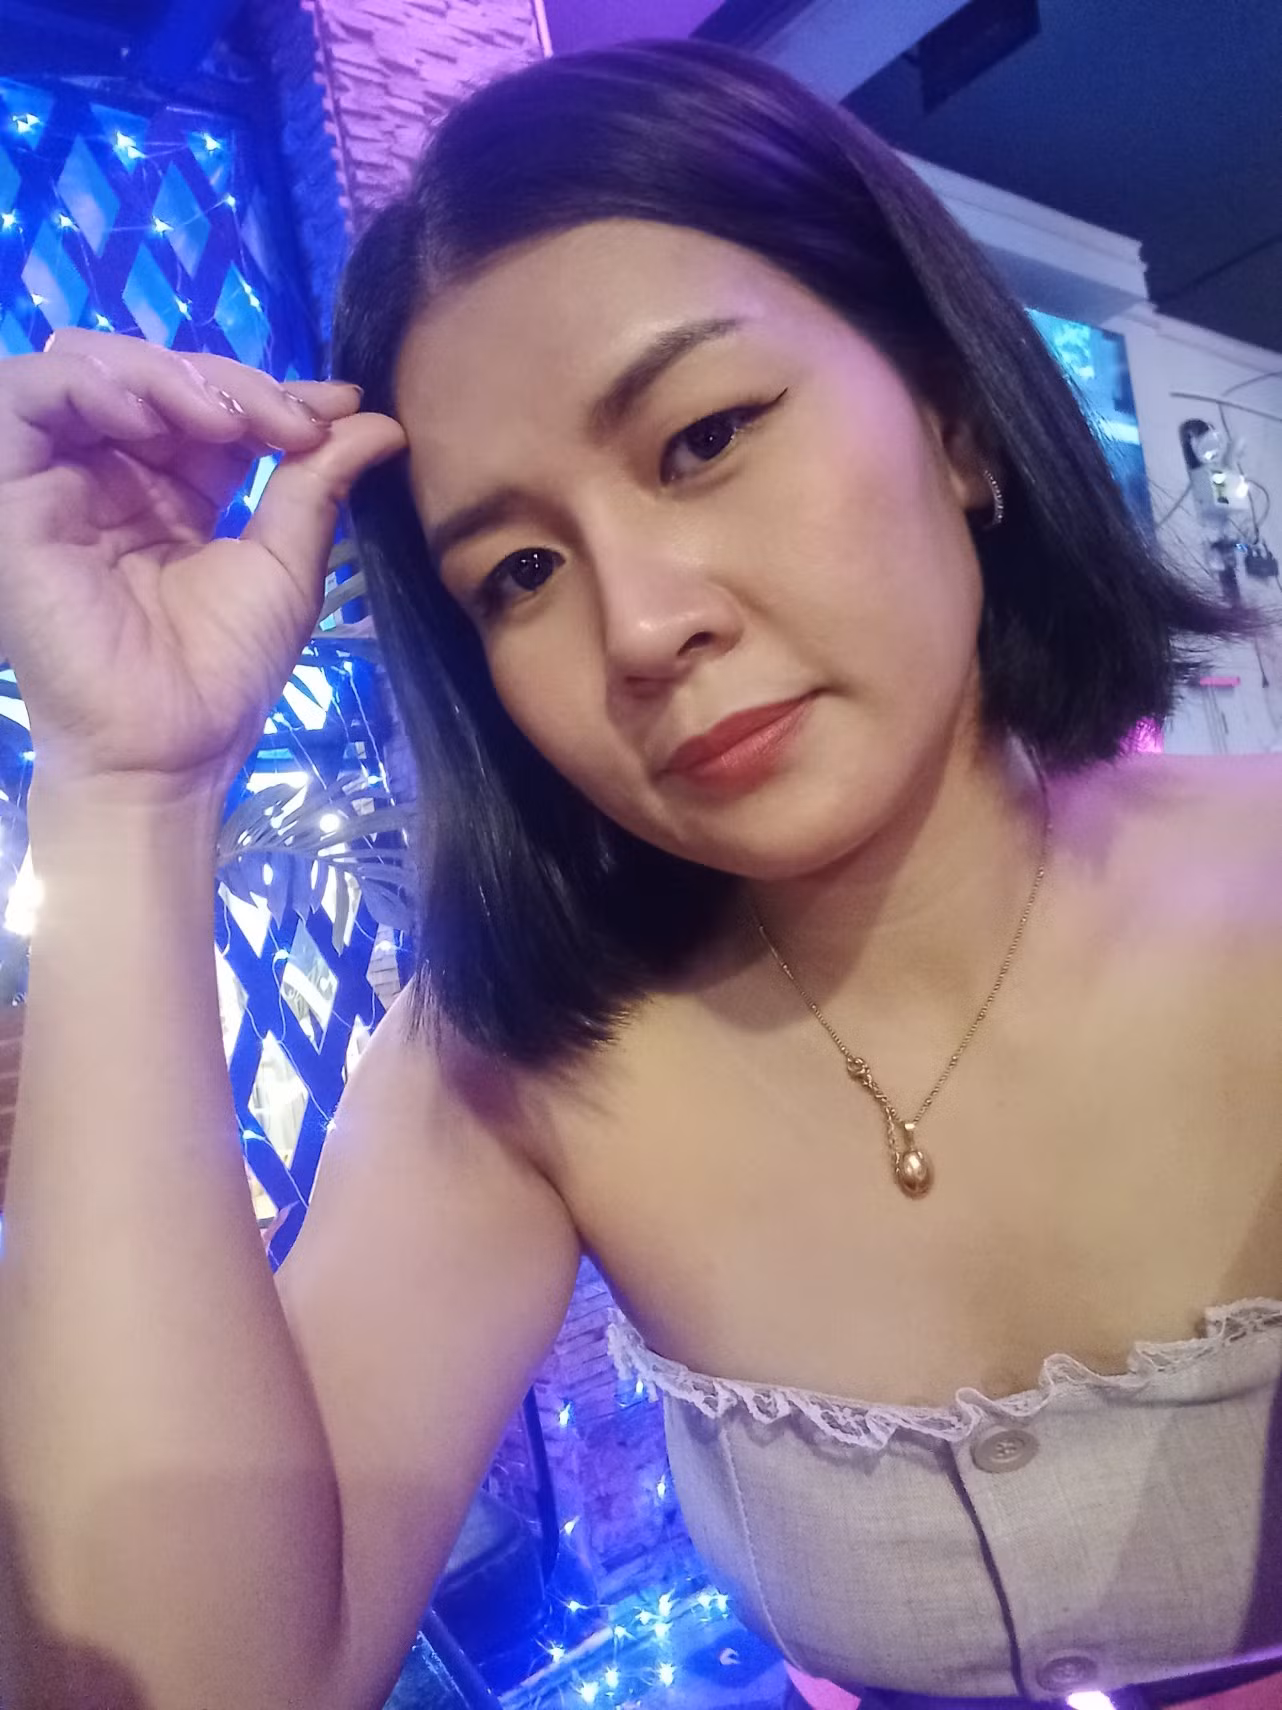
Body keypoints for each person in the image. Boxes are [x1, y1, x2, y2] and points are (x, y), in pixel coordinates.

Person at [0, 35, 1279, 1710]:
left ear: (954, 418)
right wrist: (127, 785)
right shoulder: (521, 1061)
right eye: (519, 571)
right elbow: (180, 1688)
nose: (642, 624)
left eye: (701, 438)